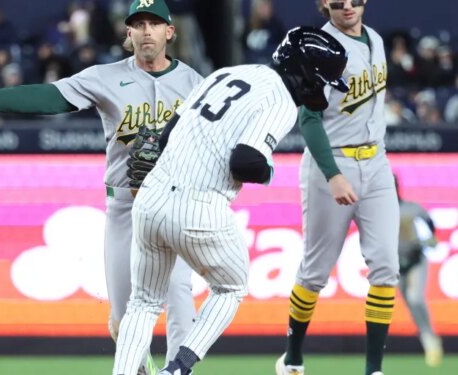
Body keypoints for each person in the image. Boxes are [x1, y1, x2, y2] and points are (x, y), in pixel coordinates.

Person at [0, 1, 201, 373]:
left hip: (174, 206)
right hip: (125, 208)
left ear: (170, 32)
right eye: (138, 23)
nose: (146, 30)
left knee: (181, 297)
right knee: (123, 317)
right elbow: (52, 97)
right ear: (127, 34)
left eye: (154, 23)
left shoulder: (196, 83)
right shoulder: (104, 77)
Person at [112, 26, 350, 375]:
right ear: (307, 74)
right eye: (325, 80)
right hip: (198, 205)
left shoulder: (228, 73)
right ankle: (178, 368)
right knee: (231, 287)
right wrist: (270, 171)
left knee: (143, 302)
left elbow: (165, 138)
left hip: (151, 196)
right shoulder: (281, 100)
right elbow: (246, 161)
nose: (326, 88)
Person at [275, 2, 399, 375]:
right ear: (323, 4)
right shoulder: (317, 46)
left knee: (386, 266)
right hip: (333, 161)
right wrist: (332, 174)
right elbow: (309, 119)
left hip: (376, 162)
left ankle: (373, 370)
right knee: (315, 271)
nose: (347, 5)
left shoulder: (376, 39)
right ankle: (293, 357)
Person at [394, 175, 443, 368]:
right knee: (408, 301)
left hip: (415, 260)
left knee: (416, 298)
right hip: (396, 264)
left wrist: (428, 240)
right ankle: (424, 333)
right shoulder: (377, 211)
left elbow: (429, 225)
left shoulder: (411, 208)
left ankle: (429, 339)